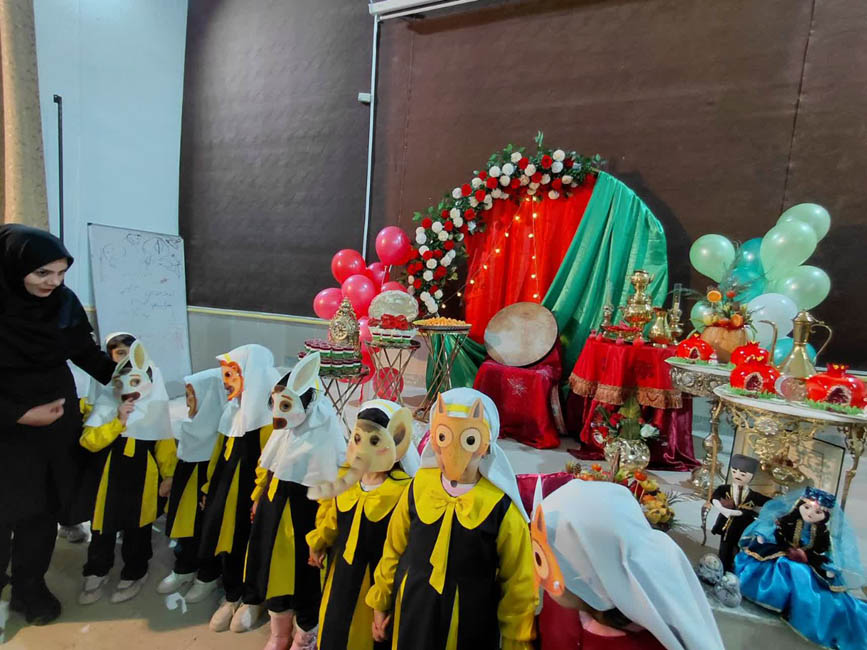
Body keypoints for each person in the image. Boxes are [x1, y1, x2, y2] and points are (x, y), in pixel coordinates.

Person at [0, 224, 115, 625]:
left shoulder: (62, 302)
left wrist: (126, 377)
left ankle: (29, 587)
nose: (54, 282)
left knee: (41, 509)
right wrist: (19, 414)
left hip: (54, 424)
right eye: (43, 273)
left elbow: (83, 351)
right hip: (6, 426)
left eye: (62, 273)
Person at [366, 388, 537, 650]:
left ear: (486, 446)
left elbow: (519, 582)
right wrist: (381, 600)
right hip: (413, 608)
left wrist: (516, 639)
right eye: (443, 438)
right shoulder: (419, 487)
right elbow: (394, 547)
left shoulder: (501, 508)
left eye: (469, 441)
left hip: (471, 622)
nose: (452, 455)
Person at [532, 479, 724, 650]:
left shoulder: (639, 643)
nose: (537, 573)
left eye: (543, 560)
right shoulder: (568, 599)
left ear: (588, 576)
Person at [243, 352, 345, 650]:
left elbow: (331, 493)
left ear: (307, 404)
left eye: (286, 406)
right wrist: (258, 498)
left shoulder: (324, 439)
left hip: (305, 520)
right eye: (275, 405)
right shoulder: (283, 434)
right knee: (273, 569)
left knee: (305, 579)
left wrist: (322, 537)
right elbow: (268, 468)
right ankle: (279, 632)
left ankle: (305, 634)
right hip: (274, 516)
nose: (277, 414)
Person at [307, 399, 416, 650]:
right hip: (340, 576)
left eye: (374, 441)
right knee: (334, 629)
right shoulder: (347, 478)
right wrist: (319, 540)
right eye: (358, 439)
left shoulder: (402, 492)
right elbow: (333, 517)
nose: (362, 450)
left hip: (375, 584)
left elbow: (397, 551)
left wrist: (382, 600)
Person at [77, 340, 177, 604]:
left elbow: (165, 446)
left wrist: (169, 475)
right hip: (106, 480)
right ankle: (97, 570)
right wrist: (118, 421)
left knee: (138, 528)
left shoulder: (155, 409)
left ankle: (135, 571)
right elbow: (89, 441)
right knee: (103, 527)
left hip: (142, 479)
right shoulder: (106, 407)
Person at [198, 344, 278, 633]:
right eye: (225, 375)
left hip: (251, 498)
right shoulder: (232, 412)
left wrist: (259, 497)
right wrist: (208, 487)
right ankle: (231, 594)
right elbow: (219, 453)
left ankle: (253, 599)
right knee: (226, 538)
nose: (226, 382)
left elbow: (270, 464)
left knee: (251, 544)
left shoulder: (268, 421)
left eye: (231, 375)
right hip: (226, 493)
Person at [735, 486, 867, 650]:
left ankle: (799, 609)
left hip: (807, 561)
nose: (810, 514)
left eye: (818, 512)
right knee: (789, 568)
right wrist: (769, 539)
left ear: (825, 516)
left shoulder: (821, 533)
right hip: (783, 553)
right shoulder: (789, 521)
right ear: (799, 505)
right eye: (807, 508)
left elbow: (822, 551)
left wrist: (814, 560)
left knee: (808, 577)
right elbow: (777, 533)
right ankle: (780, 599)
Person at [60, 331, 138, 545]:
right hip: (83, 432)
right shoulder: (76, 369)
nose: (124, 359)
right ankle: (70, 522)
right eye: (119, 353)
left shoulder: (136, 377)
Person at [157, 367, 225, 595]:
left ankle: (208, 575)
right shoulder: (191, 427)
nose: (187, 402)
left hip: (205, 488)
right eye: (186, 395)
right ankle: (184, 567)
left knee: (206, 531)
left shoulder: (220, 432)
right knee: (185, 528)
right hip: (187, 487)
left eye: (192, 396)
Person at [709, 454, 770, 571]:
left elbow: (769, 503)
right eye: (734, 472)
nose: (737, 476)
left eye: (743, 474)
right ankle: (722, 567)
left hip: (743, 526)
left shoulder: (753, 495)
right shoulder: (725, 489)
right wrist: (724, 509)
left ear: (751, 476)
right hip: (726, 525)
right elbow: (715, 498)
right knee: (724, 547)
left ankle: (734, 568)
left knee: (738, 548)